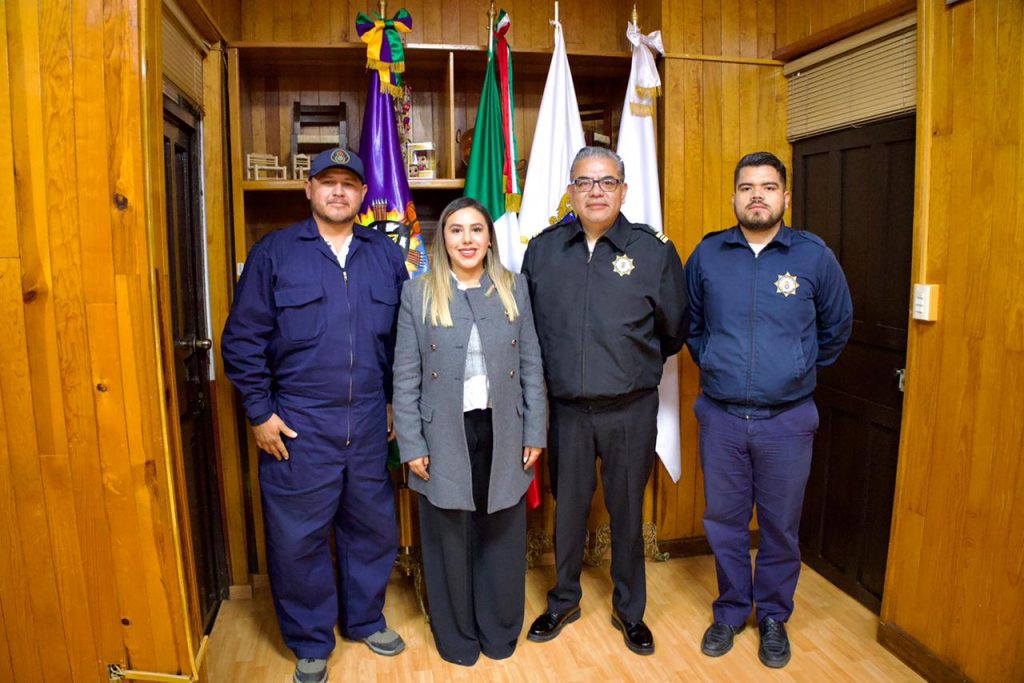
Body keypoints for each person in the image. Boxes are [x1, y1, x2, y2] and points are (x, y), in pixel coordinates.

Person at [222, 148, 408, 683]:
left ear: (363, 195)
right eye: (328, 182)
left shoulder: (384, 255)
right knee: (297, 538)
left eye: (349, 183)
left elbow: (404, 340)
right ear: (309, 190)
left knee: (371, 527)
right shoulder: (276, 253)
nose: (338, 192)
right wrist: (259, 412)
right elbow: (242, 340)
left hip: (369, 418)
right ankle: (309, 641)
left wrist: (394, 401)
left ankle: (365, 620)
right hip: (299, 422)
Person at [684, 151, 853, 669]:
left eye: (768, 187)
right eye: (747, 187)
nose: (757, 196)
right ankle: (732, 610)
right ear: (734, 196)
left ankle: (774, 616)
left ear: (785, 197)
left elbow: (836, 327)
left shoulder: (814, 257)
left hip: (787, 420)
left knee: (780, 525)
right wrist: (717, 362)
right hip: (722, 418)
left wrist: (795, 368)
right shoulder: (709, 254)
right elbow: (692, 325)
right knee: (725, 521)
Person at [521, 146, 687, 656]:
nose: (596, 191)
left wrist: (626, 367)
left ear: (623, 191)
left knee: (627, 510)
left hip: (629, 410)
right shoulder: (544, 251)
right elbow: (529, 328)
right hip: (567, 411)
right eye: (585, 182)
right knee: (568, 509)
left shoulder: (654, 252)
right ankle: (564, 599)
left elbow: (674, 330)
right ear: (570, 191)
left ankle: (630, 610)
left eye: (607, 181)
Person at [392, 197, 546, 666]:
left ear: (489, 238)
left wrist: (535, 432)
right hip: (442, 433)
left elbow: (531, 365)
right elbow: (405, 376)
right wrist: (411, 443)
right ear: (443, 239)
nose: (467, 239)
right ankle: (457, 637)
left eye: (476, 229)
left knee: (501, 531)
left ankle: (498, 631)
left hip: (504, 428)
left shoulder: (514, 288)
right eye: (456, 230)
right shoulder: (418, 293)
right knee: (449, 536)